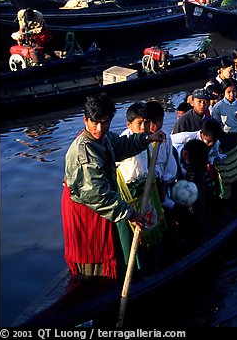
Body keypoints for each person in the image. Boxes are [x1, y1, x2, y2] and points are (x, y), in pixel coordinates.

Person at [61, 93, 165, 280]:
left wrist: (148, 138)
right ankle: (96, 285)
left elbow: (123, 146)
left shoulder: (105, 138)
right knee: (93, 252)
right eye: (95, 122)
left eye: (105, 122)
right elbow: (97, 195)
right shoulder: (84, 151)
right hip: (86, 208)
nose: (100, 128)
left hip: (99, 202)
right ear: (85, 120)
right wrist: (130, 214)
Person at [115, 102, 168, 271]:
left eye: (146, 122)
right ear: (129, 124)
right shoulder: (124, 142)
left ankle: (151, 265)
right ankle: (135, 270)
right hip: (129, 196)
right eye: (139, 123)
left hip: (145, 192)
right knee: (131, 238)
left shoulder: (147, 140)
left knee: (150, 231)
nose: (144, 127)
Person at [145, 100, 178, 200]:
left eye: (161, 121)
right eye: (154, 122)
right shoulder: (138, 139)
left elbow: (168, 163)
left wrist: (164, 184)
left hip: (159, 182)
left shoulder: (166, 137)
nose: (158, 125)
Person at [211, 78, 237, 153]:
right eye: (229, 92)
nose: (231, 94)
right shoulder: (218, 107)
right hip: (225, 137)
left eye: (233, 91)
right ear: (223, 92)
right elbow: (215, 123)